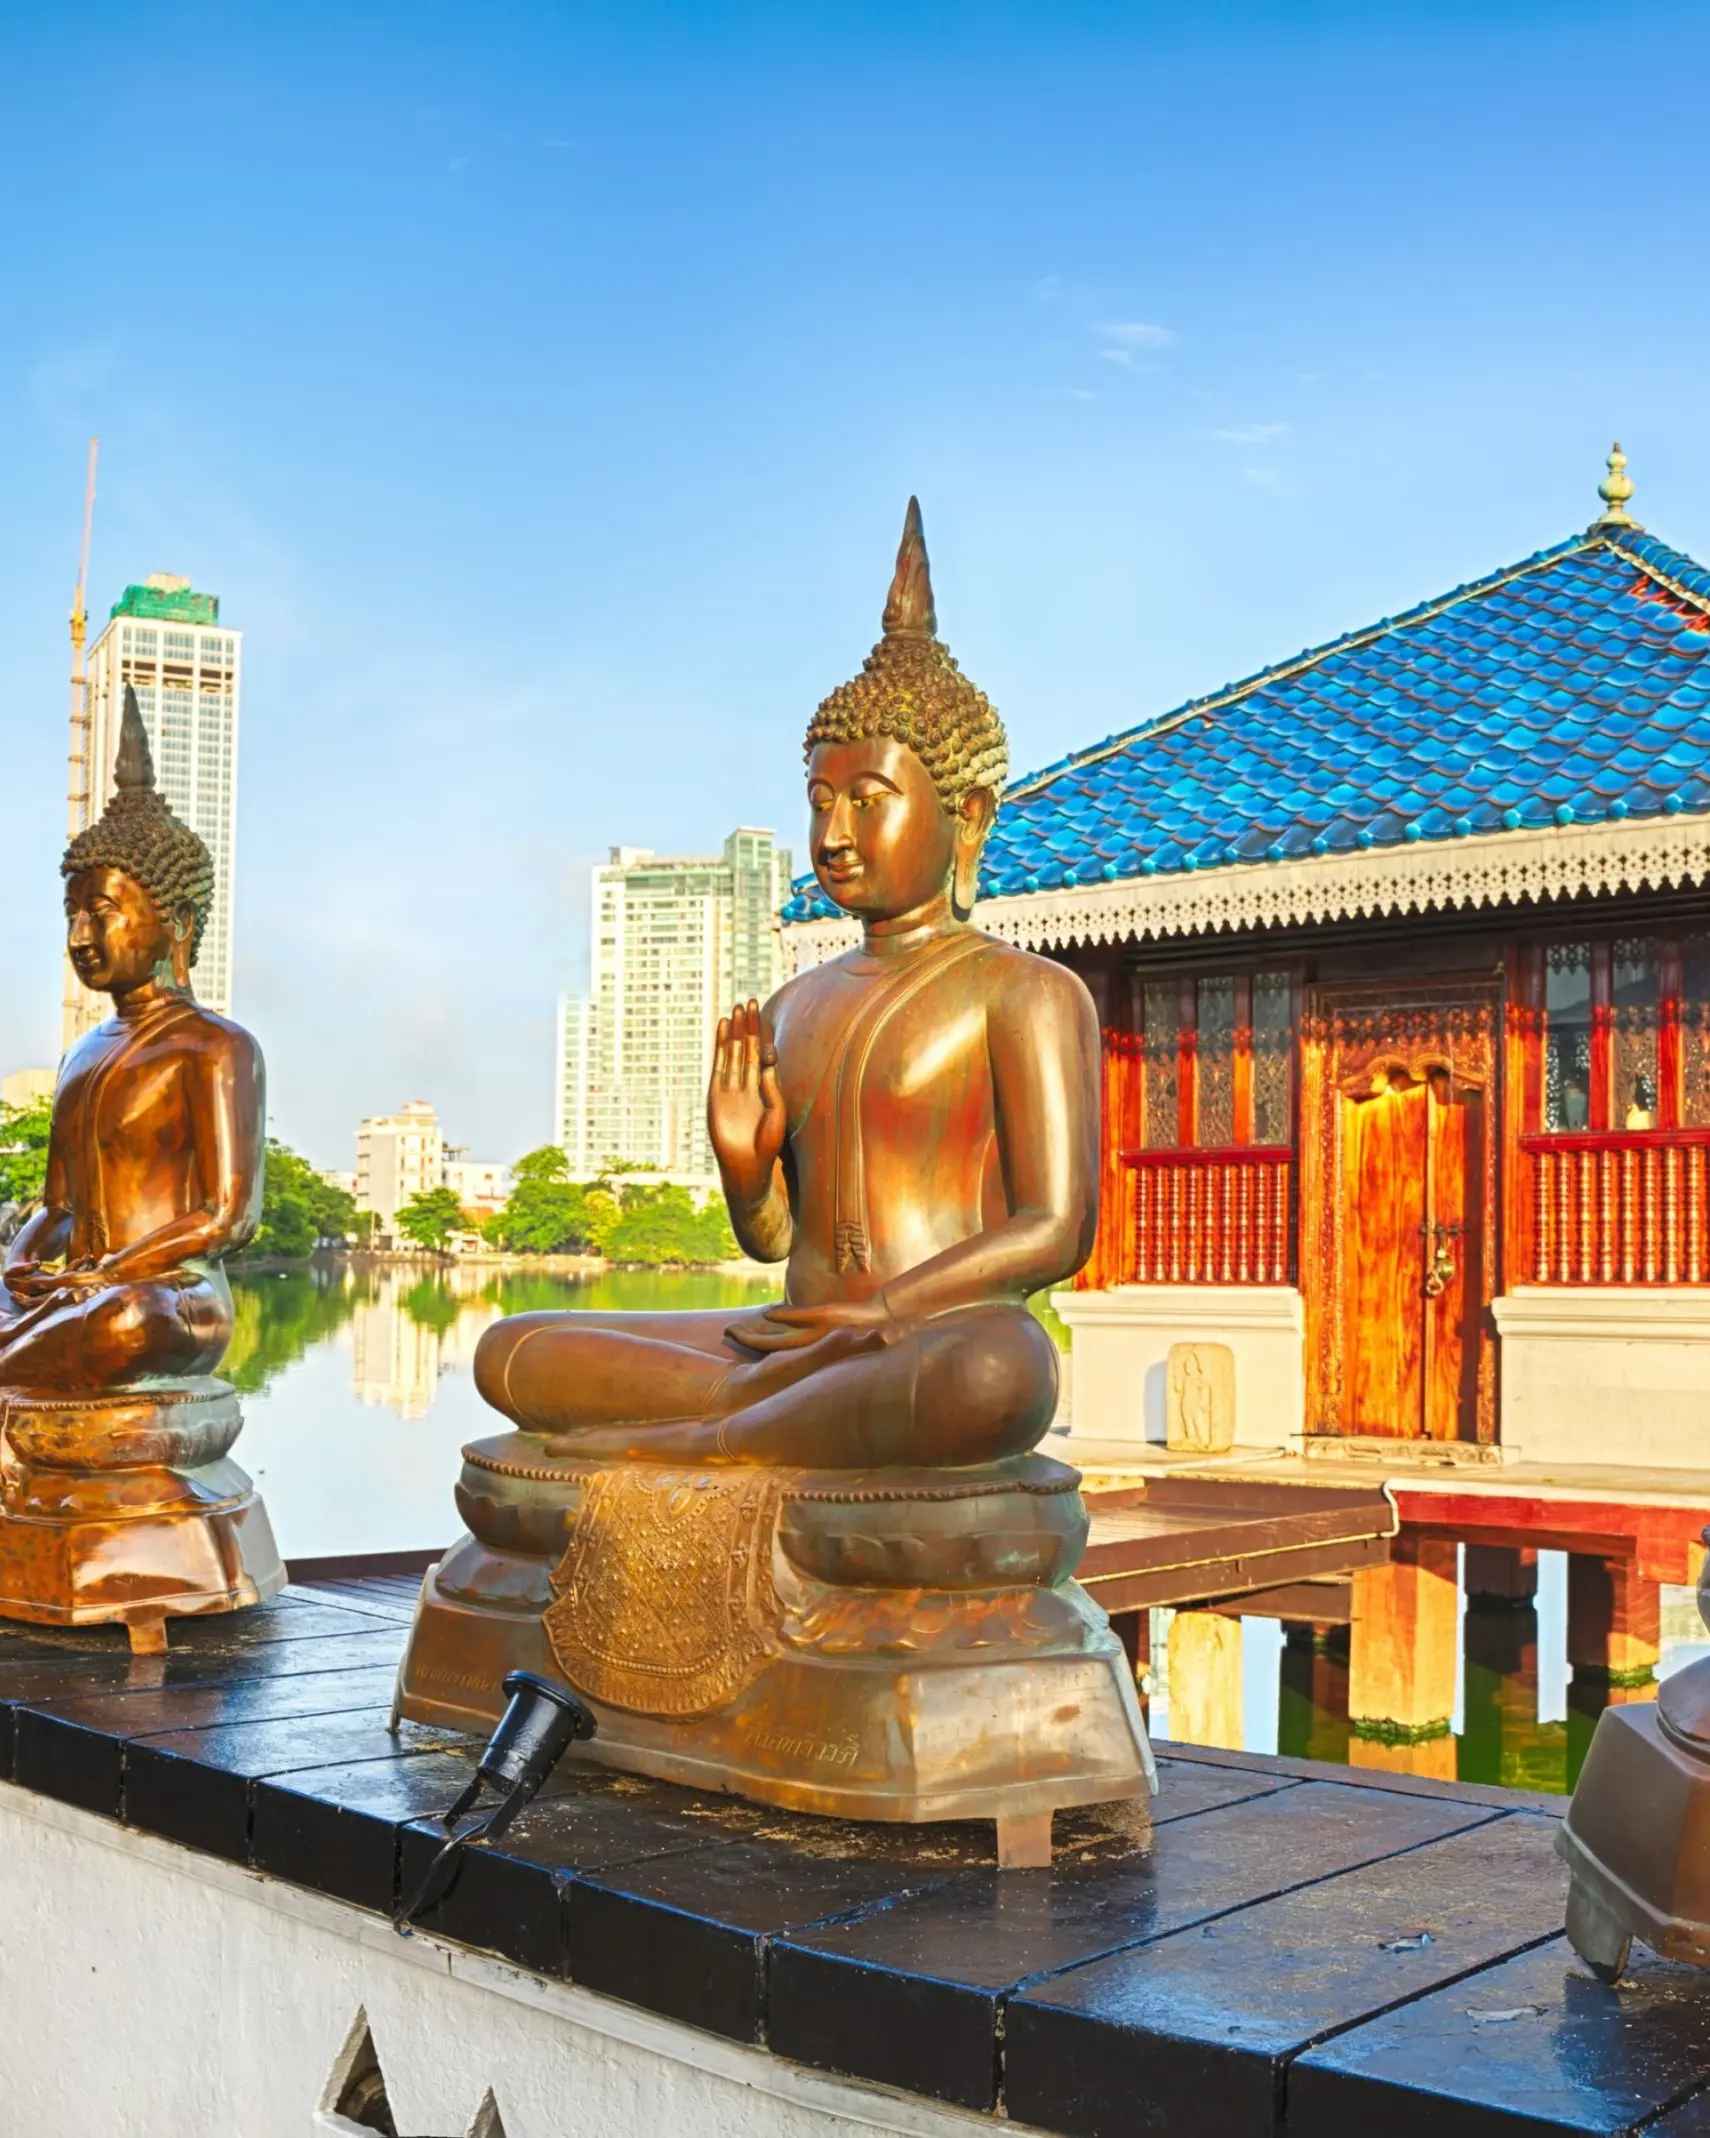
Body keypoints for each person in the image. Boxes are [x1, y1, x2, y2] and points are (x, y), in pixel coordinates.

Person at [474, 501, 1100, 1469]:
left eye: (868, 801)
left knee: (1000, 1369)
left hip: (921, 1335)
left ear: (967, 816)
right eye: (820, 801)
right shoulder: (792, 1006)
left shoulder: (1024, 992)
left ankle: (718, 1433)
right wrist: (742, 1163)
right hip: (793, 1336)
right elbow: (773, 1242)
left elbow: (1055, 1228)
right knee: (512, 1350)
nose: (835, 835)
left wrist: (881, 1309)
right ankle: (755, 1417)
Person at [0, 689, 263, 1391]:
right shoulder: (81, 1052)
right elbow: (58, 1207)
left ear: (174, 922)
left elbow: (225, 1217)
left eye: (104, 912)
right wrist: (20, 1267)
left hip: (164, 1293)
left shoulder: (214, 1047)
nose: (81, 936)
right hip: (79, 1290)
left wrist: (110, 1272)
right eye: (74, 913)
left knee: (127, 1322)